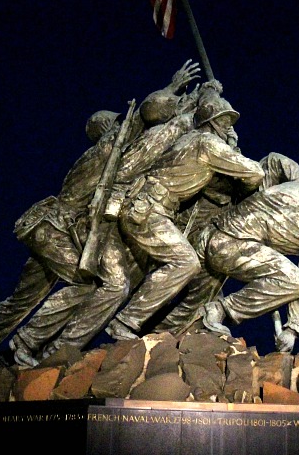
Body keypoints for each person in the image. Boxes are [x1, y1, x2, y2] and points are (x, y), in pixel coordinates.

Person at [0, 61, 201, 379]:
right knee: (101, 283)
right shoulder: (105, 150)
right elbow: (144, 131)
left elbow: (141, 131)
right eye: (118, 123)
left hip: (50, 231)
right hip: (52, 231)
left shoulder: (107, 151)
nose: (125, 126)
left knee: (20, 301)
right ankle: (32, 348)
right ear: (107, 129)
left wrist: (174, 92)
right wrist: (179, 105)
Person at [104, 90, 266, 341]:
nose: (229, 128)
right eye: (225, 122)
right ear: (211, 122)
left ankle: (147, 326)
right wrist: (243, 186)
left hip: (151, 207)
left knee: (168, 269)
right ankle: (125, 322)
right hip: (149, 209)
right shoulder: (207, 144)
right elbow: (255, 172)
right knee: (185, 262)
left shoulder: (190, 140)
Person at [180, 152, 299, 353]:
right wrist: (293, 328)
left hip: (211, 231)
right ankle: (221, 309)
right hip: (228, 250)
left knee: (180, 315)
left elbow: (273, 160)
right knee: (296, 282)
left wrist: (255, 198)